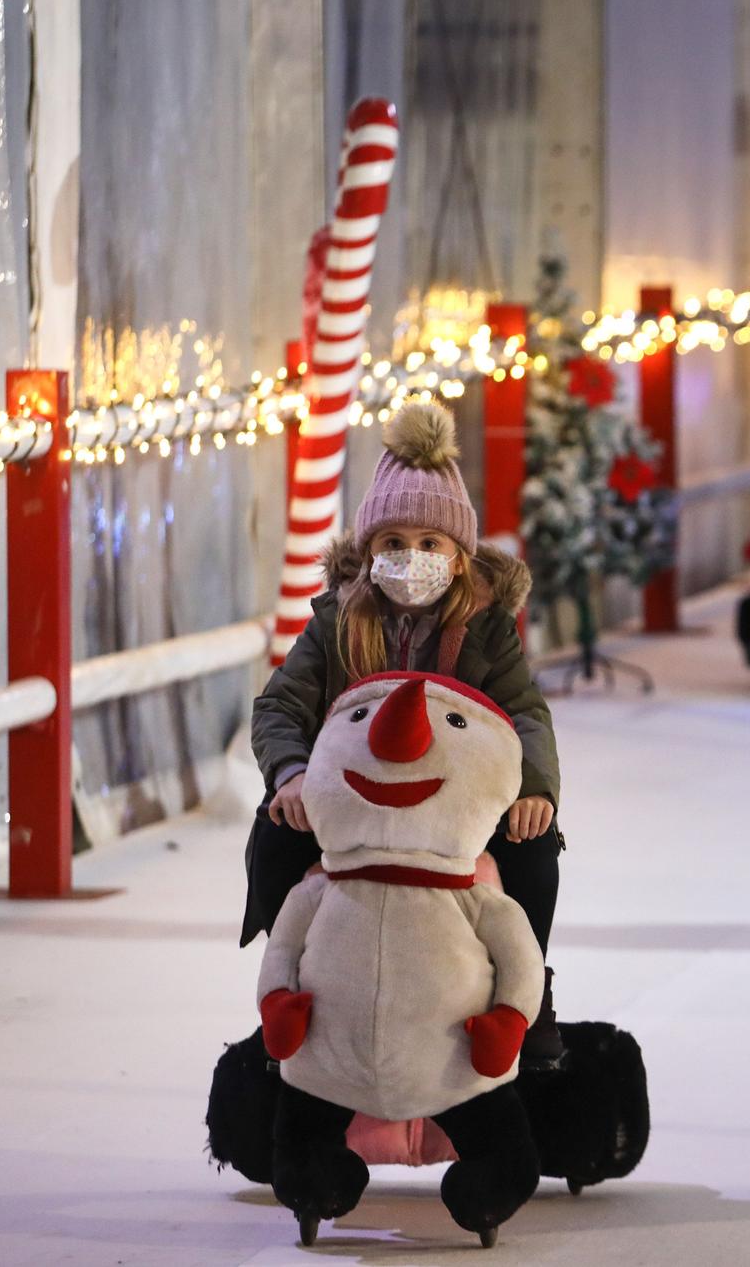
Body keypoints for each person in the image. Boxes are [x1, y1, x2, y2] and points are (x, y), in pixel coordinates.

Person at [240, 402, 566, 1069]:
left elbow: (526, 712)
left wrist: (533, 789)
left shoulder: (485, 627)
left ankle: (527, 996)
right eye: (392, 542)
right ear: (368, 551)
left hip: (452, 808)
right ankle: (289, 987)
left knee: (533, 851)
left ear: (457, 554)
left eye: (429, 543)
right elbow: (280, 705)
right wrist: (292, 774)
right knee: (276, 838)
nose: (410, 557)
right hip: (356, 802)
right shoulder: (338, 621)